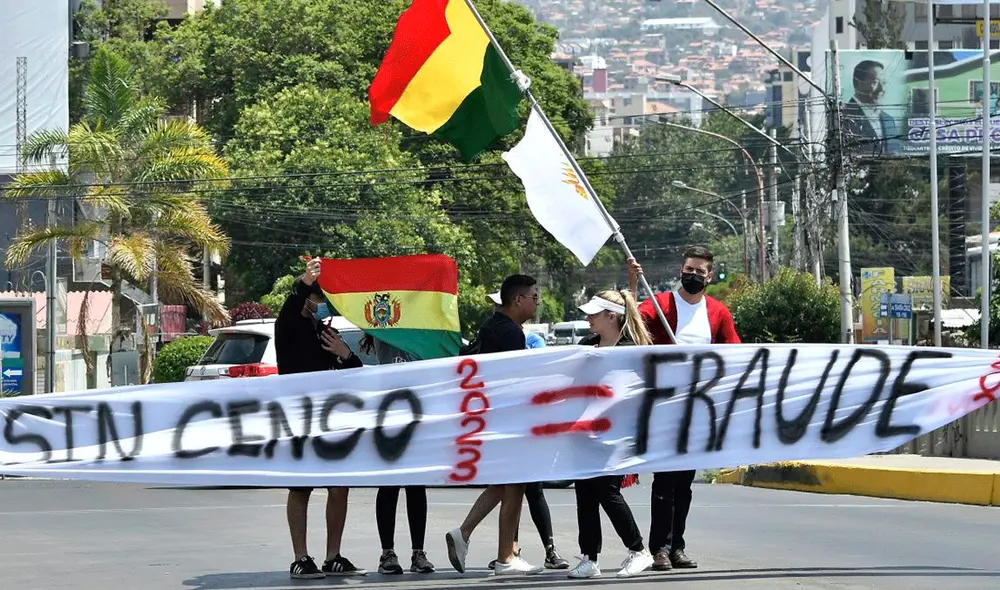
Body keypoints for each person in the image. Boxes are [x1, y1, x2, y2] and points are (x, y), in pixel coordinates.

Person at [627, 246, 740, 572]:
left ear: (710, 276)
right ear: (681, 268)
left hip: (697, 410)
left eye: (699, 272)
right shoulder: (661, 304)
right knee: (665, 481)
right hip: (664, 407)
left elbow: (734, 354)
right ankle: (659, 548)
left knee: (683, 485)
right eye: (688, 269)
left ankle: (677, 546)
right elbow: (632, 325)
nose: (692, 276)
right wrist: (633, 285)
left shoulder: (718, 313)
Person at [445, 275, 547, 576]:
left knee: (503, 484)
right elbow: (514, 382)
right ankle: (505, 558)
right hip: (507, 418)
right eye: (533, 297)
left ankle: (463, 533)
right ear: (518, 300)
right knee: (515, 486)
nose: (536, 302)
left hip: (488, 417)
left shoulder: (491, 326)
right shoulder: (511, 334)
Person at [275, 257, 367, 579]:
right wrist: (305, 281)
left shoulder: (323, 332)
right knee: (301, 489)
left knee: (339, 486)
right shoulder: (289, 324)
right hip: (299, 420)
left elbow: (352, 375)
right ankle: (301, 557)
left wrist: (345, 353)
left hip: (330, 422)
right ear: (308, 299)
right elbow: (292, 305)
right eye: (319, 299)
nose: (323, 305)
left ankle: (333, 556)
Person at [567, 290, 655, 579]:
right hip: (584, 433)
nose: (588, 318)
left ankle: (639, 550)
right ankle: (590, 558)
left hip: (617, 434)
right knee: (585, 495)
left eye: (594, 313)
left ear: (612, 316)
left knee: (607, 491)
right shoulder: (586, 346)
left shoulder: (631, 350)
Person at [482, 290, 567, 571]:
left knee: (529, 489)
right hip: (517, 421)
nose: (496, 309)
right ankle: (509, 550)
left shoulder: (530, 338)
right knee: (514, 487)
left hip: (529, 418)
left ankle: (547, 549)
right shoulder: (500, 332)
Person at [358, 334, 436, 575]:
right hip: (389, 413)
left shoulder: (421, 329)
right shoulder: (386, 330)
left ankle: (418, 552)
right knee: (390, 484)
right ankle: (387, 553)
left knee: (415, 485)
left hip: (417, 411)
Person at [841, 59, 899, 155]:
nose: (882, 89)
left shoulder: (889, 120)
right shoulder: (843, 116)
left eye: (884, 83)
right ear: (858, 83)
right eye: (875, 82)